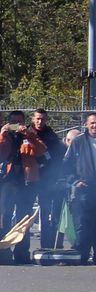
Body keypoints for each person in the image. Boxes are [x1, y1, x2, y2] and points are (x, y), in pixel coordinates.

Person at [0, 110, 46, 264]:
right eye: (13, 122)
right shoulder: (5, 136)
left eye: (19, 122)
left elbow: (41, 150)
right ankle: (3, 250)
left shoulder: (29, 134)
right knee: (4, 216)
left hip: (26, 181)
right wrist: (2, 134)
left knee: (24, 218)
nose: (16, 125)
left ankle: (22, 253)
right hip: (8, 181)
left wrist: (28, 134)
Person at [28, 108, 65, 250]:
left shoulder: (51, 136)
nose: (39, 121)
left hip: (45, 180)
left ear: (46, 120)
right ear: (32, 119)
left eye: (42, 119)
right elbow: (10, 127)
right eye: (37, 118)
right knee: (25, 215)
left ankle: (46, 247)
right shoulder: (25, 132)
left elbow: (58, 157)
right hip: (28, 179)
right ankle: (21, 251)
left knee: (46, 215)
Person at [64, 113, 96, 263]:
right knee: (83, 226)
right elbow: (66, 166)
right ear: (86, 124)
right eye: (92, 123)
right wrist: (75, 181)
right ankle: (81, 257)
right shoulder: (78, 142)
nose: (94, 126)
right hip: (83, 192)